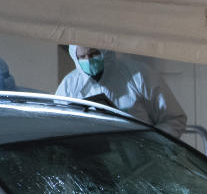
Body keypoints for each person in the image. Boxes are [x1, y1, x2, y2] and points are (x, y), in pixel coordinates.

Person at [56, 45, 187, 138]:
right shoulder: (69, 86)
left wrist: (150, 143)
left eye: (93, 54)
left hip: (142, 160)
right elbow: (57, 126)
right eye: (82, 57)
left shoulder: (138, 75)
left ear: (104, 50)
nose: (88, 60)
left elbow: (174, 119)